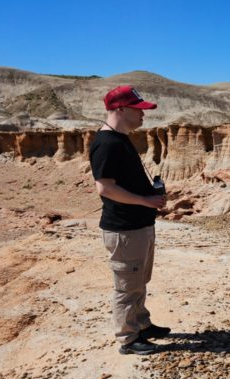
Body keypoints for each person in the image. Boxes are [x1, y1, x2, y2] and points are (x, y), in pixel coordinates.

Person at [89, 85, 168, 355]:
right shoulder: (107, 143)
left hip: (139, 226)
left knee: (138, 282)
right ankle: (128, 339)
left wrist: (150, 196)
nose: (143, 115)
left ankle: (142, 325)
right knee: (126, 287)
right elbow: (105, 187)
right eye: (139, 110)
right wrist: (146, 201)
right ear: (121, 109)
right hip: (124, 230)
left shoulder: (121, 138)